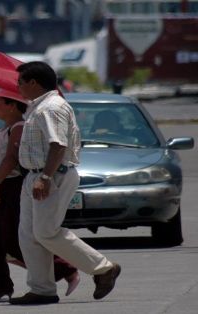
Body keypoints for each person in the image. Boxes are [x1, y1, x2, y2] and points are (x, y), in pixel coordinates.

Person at [10, 61, 121, 305]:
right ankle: (42, 289)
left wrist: (46, 177)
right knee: (28, 236)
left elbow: (58, 144)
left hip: (52, 175)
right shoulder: (37, 107)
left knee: (46, 232)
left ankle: (103, 268)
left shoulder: (51, 107)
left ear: (33, 83)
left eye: (20, 83)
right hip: (35, 175)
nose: (17, 88)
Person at [0, 89, 79, 303]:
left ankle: (65, 269)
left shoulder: (19, 127)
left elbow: (10, 159)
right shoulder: (4, 129)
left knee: (13, 239)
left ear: (12, 105)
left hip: (8, 185)